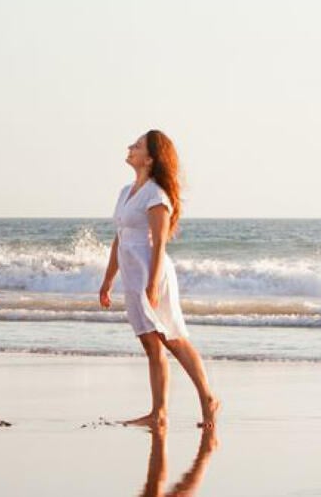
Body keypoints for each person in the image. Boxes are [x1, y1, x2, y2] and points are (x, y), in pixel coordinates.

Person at [99, 130, 220, 429]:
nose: (130, 147)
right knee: (150, 344)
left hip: (152, 274)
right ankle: (159, 412)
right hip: (132, 274)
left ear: (150, 159)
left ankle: (208, 399)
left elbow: (160, 243)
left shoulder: (156, 195)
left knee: (173, 338)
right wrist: (107, 280)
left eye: (137, 146)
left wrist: (152, 283)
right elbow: (119, 238)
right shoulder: (125, 191)